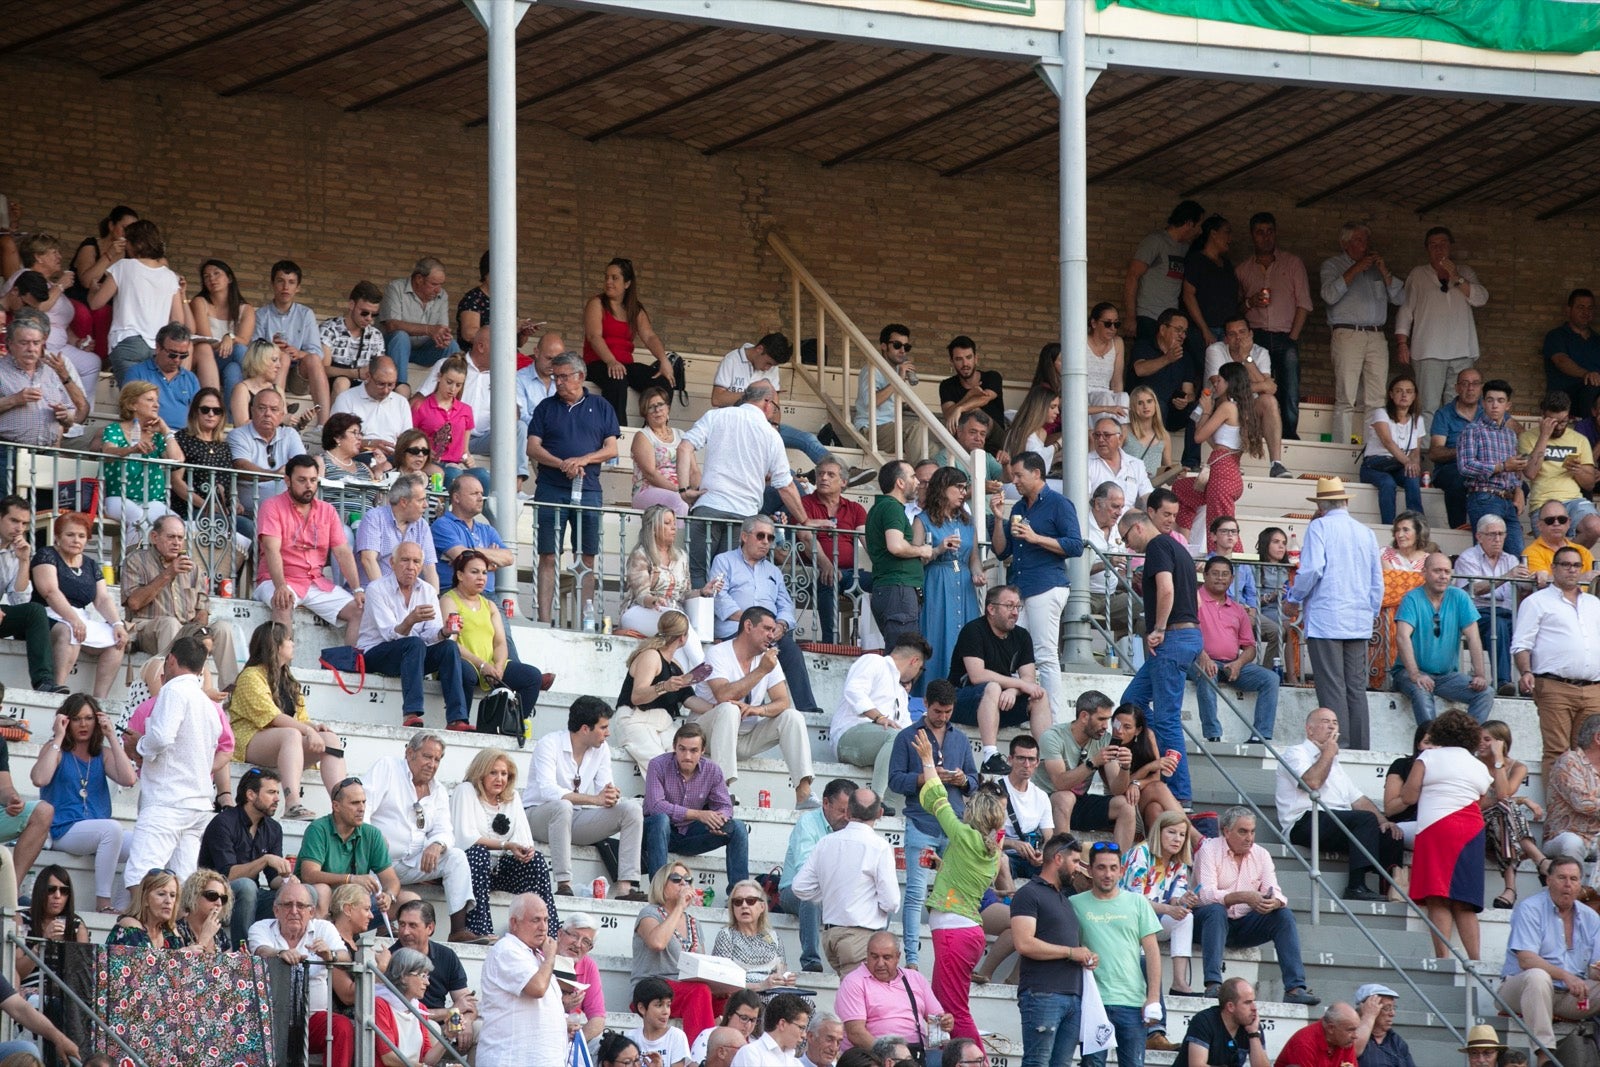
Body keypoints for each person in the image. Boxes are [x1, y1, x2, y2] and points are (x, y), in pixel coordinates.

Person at [910, 727, 1004, 1049]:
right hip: (964, 930)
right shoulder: (991, 851)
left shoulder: (965, 837)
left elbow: (939, 801)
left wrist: (926, 760)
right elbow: (964, 877)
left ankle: (979, 1061)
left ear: (973, 815)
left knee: (953, 1011)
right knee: (942, 1005)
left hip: (954, 931)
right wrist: (942, 866)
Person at [1284, 477, 1384, 750]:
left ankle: (1337, 746)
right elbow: (1378, 581)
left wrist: (1294, 597)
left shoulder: (1320, 527)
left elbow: (1313, 568)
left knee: (1332, 688)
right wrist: (1370, 612)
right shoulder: (1366, 532)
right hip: (1358, 619)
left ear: (1321, 505)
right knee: (1355, 689)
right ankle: (1360, 747)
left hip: (1327, 618)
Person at [677, 380, 805, 588]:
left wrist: (684, 491)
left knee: (696, 576)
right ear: (766, 402)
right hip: (743, 516)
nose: (774, 412)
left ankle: (699, 621)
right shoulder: (771, 434)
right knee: (726, 581)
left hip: (708, 508)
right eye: (775, 406)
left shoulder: (716, 416)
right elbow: (785, 486)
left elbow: (684, 447)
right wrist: (805, 520)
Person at [888, 678, 977, 967]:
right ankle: (912, 959)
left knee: (951, 898)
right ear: (925, 704)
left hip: (953, 824)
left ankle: (948, 958)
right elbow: (894, 780)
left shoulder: (960, 739)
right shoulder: (906, 736)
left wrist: (963, 780)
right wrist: (926, 777)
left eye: (948, 712)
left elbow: (975, 782)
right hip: (921, 822)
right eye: (938, 711)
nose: (943, 717)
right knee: (915, 893)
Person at [1192, 807, 1319, 1005]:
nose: (1249, 837)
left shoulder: (1262, 854)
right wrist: (1243, 897)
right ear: (1226, 831)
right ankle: (1213, 986)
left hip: (1243, 925)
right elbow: (1205, 895)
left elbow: (1275, 891)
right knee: (1215, 910)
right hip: (1207, 925)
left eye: (1252, 831)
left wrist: (1273, 902)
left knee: (1283, 915)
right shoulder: (1208, 849)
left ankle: (1295, 988)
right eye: (1243, 831)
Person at [693, 605, 818, 806]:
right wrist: (761, 671)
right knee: (729, 708)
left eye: (773, 630)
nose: (772, 635)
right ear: (748, 626)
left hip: (745, 739)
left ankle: (803, 793)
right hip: (706, 735)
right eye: (767, 629)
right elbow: (723, 695)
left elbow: (783, 701)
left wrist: (759, 710)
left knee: (792, 717)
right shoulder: (718, 653)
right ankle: (720, 791)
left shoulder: (768, 660)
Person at [528, 351, 620, 623]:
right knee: (547, 555)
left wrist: (583, 460)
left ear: (580, 376)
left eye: (564, 377)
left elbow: (611, 448)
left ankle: (586, 621)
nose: (558, 382)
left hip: (589, 488)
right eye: (556, 377)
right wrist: (563, 464)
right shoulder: (546, 407)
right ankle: (544, 620)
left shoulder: (602, 406)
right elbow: (532, 447)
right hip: (550, 488)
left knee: (587, 557)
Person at [525, 695, 647, 899]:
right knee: (562, 806)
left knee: (632, 810)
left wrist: (611, 795)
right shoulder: (549, 744)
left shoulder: (602, 749)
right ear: (584, 729)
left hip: (575, 818)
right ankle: (564, 884)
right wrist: (596, 800)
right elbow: (548, 791)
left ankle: (625, 888)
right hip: (537, 817)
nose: (608, 733)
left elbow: (604, 787)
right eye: (603, 727)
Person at [1118, 507, 1202, 805]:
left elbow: (1166, 590)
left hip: (1173, 637)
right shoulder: (1176, 547)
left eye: (1126, 538)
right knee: (1131, 704)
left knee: (1166, 719)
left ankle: (1180, 793)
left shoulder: (1156, 547)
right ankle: (1158, 758)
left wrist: (1159, 628)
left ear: (1137, 527)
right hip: (1184, 635)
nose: (1128, 546)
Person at [1278, 708, 1406, 902]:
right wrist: (1328, 753)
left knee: (1391, 834)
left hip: (1338, 822)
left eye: (1335, 722)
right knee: (1363, 821)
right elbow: (1311, 783)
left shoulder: (1334, 763)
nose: (1331, 726)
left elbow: (1359, 800)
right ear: (1309, 729)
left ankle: (1388, 890)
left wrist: (1384, 821)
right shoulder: (1296, 753)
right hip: (1304, 821)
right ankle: (1356, 886)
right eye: (1325, 721)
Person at [366, 732, 481, 942]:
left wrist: (437, 845)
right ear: (410, 753)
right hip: (376, 862)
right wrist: (372, 837)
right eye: (427, 757)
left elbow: (445, 829)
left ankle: (458, 930)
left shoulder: (438, 791)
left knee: (455, 857)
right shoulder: (388, 768)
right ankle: (383, 924)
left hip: (413, 862)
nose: (432, 764)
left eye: (437, 759)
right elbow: (363, 806)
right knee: (367, 853)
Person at [123, 636, 218, 888]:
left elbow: (163, 736)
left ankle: (140, 929)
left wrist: (139, 745)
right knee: (182, 884)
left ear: (171, 660)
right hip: (198, 804)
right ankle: (173, 929)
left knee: (140, 878)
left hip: (168, 800)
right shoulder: (207, 704)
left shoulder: (173, 690)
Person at [228, 619, 345, 819]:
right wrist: (307, 731)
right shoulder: (251, 676)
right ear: (275, 645)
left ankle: (343, 805)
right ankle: (292, 804)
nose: (293, 644)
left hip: (283, 742)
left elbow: (301, 719)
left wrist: (314, 727)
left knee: (330, 739)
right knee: (291, 734)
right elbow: (272, 718)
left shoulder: (288, 680)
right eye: (288, 639)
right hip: (250, 740)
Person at [1399, 708, 1492, 958]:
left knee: (1437, 896)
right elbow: (1481, 800)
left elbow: (1408, 797)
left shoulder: (1427, 758)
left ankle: (1443, 958)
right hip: (1471, 830)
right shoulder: (1479, 766)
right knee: (1465, 901)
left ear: (1439, 732)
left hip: (1436, 829)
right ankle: (1476, 960)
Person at [30, 694, 135, 912]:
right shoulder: (55, 750)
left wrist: (112, 737)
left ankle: (124, 907)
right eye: (77, 719)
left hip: (96, 830)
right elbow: (39, 779)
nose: (84, 724)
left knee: (144, 843)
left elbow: (129, 778)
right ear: (66, 720)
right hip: (64, 829)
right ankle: (103, 902)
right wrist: (58, 738)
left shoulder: (101, 754)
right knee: (112, 828)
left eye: (89, 718)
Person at [707, 514, 821, 715]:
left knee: (792, 651)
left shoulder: (773, 571)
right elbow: (719, 597)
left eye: (770, 538)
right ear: (744, 536)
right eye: (761, 536)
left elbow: (785, 603)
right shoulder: (724, 561)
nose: (766, 542)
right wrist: (750, 622)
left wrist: (782, 625)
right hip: (737, 630)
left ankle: (808, 709)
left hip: (768, 633)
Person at [1072, 841, 1170, 1064]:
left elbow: (1152, 953)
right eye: (1101, 867)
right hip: (1093, 1002)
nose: (1108, 874)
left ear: (1122, 870)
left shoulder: (1137, 903)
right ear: (1089, 870)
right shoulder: (1074, 904)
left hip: (1133, 1003)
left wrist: (1153, 998)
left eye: (1113, 868)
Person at [1497, 854, 1600, 1060]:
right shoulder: (1530, 908)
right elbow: (1526, 960)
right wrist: (1567, 976)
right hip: (1521, 990)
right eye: (1562, 878)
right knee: (1537, 976)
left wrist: (1596, 972)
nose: (1568, 884)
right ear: (1548, 880)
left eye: (1574, 879)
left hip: (1569, 997)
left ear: (1580, 884)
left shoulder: (1591, 917)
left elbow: (1593, 969)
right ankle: (1545, 1056)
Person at [451, 746, 559, 940]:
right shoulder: (465, 790)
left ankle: (548, 935)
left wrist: (524, 852)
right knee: (478, 853)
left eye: (504, 774)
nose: (499, 779)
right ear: (480, 773)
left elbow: (522, 839)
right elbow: (465, 838)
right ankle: (480, 930)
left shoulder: (512, 797)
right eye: (493, 773)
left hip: (500, 870)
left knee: (536, 862)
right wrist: (505, 845)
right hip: (470, 870)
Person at [358, 542, 470, 729]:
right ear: (392, 563)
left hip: (412, 655)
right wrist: (410, 620)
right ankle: (411, 713)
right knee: (414, 644)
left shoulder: (427, 590)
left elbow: (430, 634)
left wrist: (444, 632)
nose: (411, 566)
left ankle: (457, 718)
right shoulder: (376, 588)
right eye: (405, 560)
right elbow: (388, 634)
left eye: (416, 561)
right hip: (376, 653)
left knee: (449, 647)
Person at [1512, 544, 1600, 779]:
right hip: (1554, 686)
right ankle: (1558, 814)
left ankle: (1587, 813)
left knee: (1591, 753)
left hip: (1593, 689)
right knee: (1558, 752)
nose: (1571, 570)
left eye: (1576, 565)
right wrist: (1526, 671)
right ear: (1553, 568)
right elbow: (1521, 643)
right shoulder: (1537, 601)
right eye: (1565, 565)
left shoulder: (1594, 604)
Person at [253, 454, 363, 643]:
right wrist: (280, 586)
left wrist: (357, 589)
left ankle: (349, 666)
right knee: (283, 601)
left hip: (315, 582)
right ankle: (281, 668)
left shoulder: (327, 510)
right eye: (302, 480)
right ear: (287, 480)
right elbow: (272, 550)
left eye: (313, 480)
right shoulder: (272, 506)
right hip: (277, 579)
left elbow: (343, 552)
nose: (309, 486)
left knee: (359, 610)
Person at [122, 516, 241, 689]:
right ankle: (172, 688)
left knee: (223, 628)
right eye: (171, 537)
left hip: (185, 630)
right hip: (148, 628)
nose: (176, 542)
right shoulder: (135, 561)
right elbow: (133, 603)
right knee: (170, 624)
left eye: (180, 538)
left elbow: (202, 608)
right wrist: (168, 574)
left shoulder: (193, 568)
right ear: (154, 537)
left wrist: (198, 631)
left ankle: (230, 693)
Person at [792, 786, 898, 975]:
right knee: (860, 1001)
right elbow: (891, 903)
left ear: (848, 813)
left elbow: (800, 887)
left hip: (831, 937)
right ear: (880, 813)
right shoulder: (880, 846)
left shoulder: (826, 842)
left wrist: (830, 892)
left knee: (852, 997)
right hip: (860, 937)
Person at [1322, 221, 1405, 446]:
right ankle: (1340, 449)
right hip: (1348, 333)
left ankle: (1372, 449)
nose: (1364, 245)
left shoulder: (1376, 269)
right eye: (1359, 240)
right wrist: (1355, 269)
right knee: (1346, 397)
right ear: (1345, 243)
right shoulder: (1332, 265)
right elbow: (1328, 295)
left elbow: (1400, 298)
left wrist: (1385, 271)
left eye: (1366, 240)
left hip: (1376, 335)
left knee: (1377, 399)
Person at [1009, 830, 1088, 1067]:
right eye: (1075, 861)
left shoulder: (1065, 898)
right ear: (1058, 859)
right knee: (1037, 1063)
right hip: (1043, 993)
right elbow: (1023, 943)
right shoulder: (1028, 894)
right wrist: (1071, 952)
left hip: (1071, 995)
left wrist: (1083, 954)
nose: (1079, 868)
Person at [31, 510, 127, 701]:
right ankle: (56, 690)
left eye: (81, 536)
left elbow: (102, 599)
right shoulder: (46, 555)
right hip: (46, 615)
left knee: (116, 640)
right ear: (57, 537)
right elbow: (50, 592)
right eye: (70, 534)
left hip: (80, 617)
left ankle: (99, 700)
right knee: (70, 631)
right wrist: (73, 620)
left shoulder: (91, 564)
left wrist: (117, 624)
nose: (76, 540)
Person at [1394, 226, 1488, 417]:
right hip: (1428, 351)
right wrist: (1402, 343)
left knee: (1460, 404)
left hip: (1462, 350)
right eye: (1433, 245)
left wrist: (1457, 278)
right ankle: (1428, 446)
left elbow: (1481, 299)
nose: (1439, 249)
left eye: (1443, 244)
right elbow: (1405, 310)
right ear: (1427, 249)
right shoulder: (1418, 274)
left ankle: (1454, 446)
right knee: (1427, 406)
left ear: (1450, 247)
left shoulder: (1465, 272)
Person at [642, 722, 749, 889]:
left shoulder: (712, 770)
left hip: (691, 834)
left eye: (693, 750)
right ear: (674, 747)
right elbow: (656, 806)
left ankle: (740, 892)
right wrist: (699, 814)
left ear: (703, 751)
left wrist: (719, 819)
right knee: (660, 820)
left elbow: (725, 805)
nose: (687, 756)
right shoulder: (658, 765)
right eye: (682, 749)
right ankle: (659, 891)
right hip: (657, 834)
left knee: (738, 827)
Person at [1393, 553, 1493, 724]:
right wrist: (1416, 674)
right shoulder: (1412, 598)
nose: (1443, 576)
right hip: (1409, 673)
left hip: (1447, 677)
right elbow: (1402, 637)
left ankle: (1466, 742)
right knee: (1421, 690)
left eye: (1447, 571)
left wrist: (1480, 675)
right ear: (1424, 573)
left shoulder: (1459, 597)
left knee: (1486, 693)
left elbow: (1473, 637)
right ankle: (1431, 744)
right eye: (1437, 571)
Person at [612, 608, 714, 777]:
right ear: (683, 638)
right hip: (637, 718)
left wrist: (717, 707)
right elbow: (637, 697)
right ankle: (663, 801)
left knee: (687, 760)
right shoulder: (651, 656)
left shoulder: (675, 665)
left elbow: (689, 699)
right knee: (660, 764)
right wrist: (664, 686)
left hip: (663, 723)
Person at [199, 766, 290, 949]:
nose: (277, 799)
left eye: (278, 793)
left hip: (251, 897)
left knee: (299, 894)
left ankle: (286, 953)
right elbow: (228, 876)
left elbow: (273, 880)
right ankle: (244, 954)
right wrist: (265, 860)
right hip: (216, 896)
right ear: (251, 795)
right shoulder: (223, 823)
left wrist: (289, 880)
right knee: (247, 886)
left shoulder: (273, 828)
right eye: (271, 792)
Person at [1192, 555, 1279, 744]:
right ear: (1205, 575)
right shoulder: (1194, 600)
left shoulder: (1238, 609)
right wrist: (1203, 656)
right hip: (1199, 660)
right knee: (1207, 672)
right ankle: (1213, 735)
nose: (1220, 578)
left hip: (1231, 664)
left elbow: (1249, 647)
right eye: (1215, 574)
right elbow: (1187, 635)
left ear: (1232, 579)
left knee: (1271, 678)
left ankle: (1260, 735)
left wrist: (1239, 663)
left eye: (1225, 575)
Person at [88, 219, 188, 384]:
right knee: (150, 403)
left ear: (135, 243)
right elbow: (178, 320)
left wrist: (92, 291)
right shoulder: (170, 276)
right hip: (158, 347)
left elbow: (96, 303)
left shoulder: (123, 267)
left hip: (127, 341)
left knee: (131, 402)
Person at [1033, 692, 1136, 853]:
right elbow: (1060, 783)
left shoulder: (1103, 739)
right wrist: (1093, 762)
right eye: (1101, 719)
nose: (1105, 726)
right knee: (1065, 797)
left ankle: (1119, 867)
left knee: (1125, 805)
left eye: (1108, 720)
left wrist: (1125, 767)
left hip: (1079, 804)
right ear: (1084, 716)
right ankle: (1064, 860)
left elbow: (1117, 789)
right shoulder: (1053, 737)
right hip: (1047, 803)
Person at [582, 257, 675, 426]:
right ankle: (617, 433)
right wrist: (611, 361)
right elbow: (594, 336)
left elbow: (649, 336)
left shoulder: (634, 309)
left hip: (624, 366)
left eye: (614, 278)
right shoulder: (597, 303)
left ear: (627, 283)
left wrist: (664, 360)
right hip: (599, 363)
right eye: (607, 277)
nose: (608, 282)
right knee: (617, 380)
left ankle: (652, 431)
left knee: (662, 381)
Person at [832, 634, 928, 798]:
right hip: (849, 736)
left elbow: (906, 729)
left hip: (883, 743)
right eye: (921, 669)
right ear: (915, 661)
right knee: (896, 737)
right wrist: (878, 717)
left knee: (912, 744)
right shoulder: (874, 661)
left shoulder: (901, 693)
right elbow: (854, 691)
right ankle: (875, 799)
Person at [1174, 363, 1263, 537]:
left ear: (1229, 382)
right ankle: (1184, 542)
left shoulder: (1227, 407)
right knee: (1180, 489)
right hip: (1228, 472)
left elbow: (1198, 438)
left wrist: (1207, 410)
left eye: (1219, 380)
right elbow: (1206, 436)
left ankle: (1234, 563)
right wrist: (1205, 412)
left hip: (1222, 474)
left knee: (1221, 530)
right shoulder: (1241, 408)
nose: (1216, 384)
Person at [476, 893, 565, 1067]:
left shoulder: (536, 955)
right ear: (514, 923)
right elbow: (537, 988)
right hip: (512, 1060)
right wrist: (550, 958)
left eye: (546, 920)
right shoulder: (507, 949)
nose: (543, 927)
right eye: (535, 920)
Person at [632, 861, 717, 1043]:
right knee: (700, 991)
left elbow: (701, 964)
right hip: (652, 988)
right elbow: (657, 942)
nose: (683, 884)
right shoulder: (649, 913)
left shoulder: (694, 922)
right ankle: (699, 1057)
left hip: (685, 988)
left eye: (688, 880)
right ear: (662, 885)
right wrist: (679, 907)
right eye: (677, 879)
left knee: (731, 999)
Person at [293, 777, 401, 917]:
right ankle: (324, 936)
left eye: (363, 802)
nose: (361, 808)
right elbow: (309, 875)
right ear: (336, 806)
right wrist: (351, 879)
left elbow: (391, 881)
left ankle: (384, 936)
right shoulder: (318, 829)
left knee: (407, 900)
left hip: (355, 904)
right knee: (322, 890)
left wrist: (389, 896)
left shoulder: (372, 834)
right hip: (323, 901)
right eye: (355, 803)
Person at [779, 777, 855, 974]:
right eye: (841, 810)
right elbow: (806, 871)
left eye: (850, 812)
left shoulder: (855, 827)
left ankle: (863, 961)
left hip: (836, 893)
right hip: (793, 890)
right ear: (825, 803)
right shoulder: (807, 823)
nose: (847, 817)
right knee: (812, 896)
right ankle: (811, 961)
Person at [914, 465, 982, 683]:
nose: (964, 492)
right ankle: (932, 691)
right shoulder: (922, 520)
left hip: (963, 583)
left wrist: (978, 574)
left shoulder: (967, 522)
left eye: (965, 488)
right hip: (936, 582)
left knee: (966, 638)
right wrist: (939, 549)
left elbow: (974, 559)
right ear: (943, 488)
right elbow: (916, 559)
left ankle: (962, 693)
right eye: (959, 487)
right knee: (937, 634)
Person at [835, 932, 950, 1059]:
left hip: (916, 1053)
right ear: (867, 954)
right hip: (872, 1056)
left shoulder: (915, 979)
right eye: (874, 957)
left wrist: (946, 1022)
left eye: (886, 957)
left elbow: (938, 1018)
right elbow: (855, 1033)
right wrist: (890, 1056)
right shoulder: (854, 982)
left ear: (898, 957)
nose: (880, 963)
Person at [1122, 810, 1199, 996]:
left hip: (1155, 920)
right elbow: (1135, 901)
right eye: (1171, 832)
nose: (1177, 839)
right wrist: (1169, 909)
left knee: (1186, 919)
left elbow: (1175, 898)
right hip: (1129, 920)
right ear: (1159, 832)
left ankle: (1179, 983)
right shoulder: (1141, 853)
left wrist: (1183, 901)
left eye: (1182, 835)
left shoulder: (1178, 860)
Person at [619, 505, 712, 656]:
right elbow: (641, 594)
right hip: (641, 611)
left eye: (674, 523)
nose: (674, 528)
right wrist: (654, 600)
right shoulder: (641, 554)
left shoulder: (681, 556)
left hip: (673, 615)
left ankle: (692, 677)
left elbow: (684, 594)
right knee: (679, 624)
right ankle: (703, 669)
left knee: (679, 640)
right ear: (653, 528)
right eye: (667, 523)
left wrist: (702, 591)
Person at [801, 455, 872, 644]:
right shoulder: (805, 503)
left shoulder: (855, 508)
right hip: (816, 571)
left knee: (884, 584)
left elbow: (867, 541)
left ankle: (876, 644)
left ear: (843, 482)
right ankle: (830, 643)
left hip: (851, 574)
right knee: (828, 580)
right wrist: (826, 564)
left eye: (830, 474)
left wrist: (886, 569)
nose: (824, 478)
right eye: (821, 474)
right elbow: (806, 537)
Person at [866, 460, 935, 652]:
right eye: (913, 476)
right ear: (900, 483)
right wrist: (922, 550)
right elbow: (895, 546)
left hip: (893, 590)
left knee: (900, 652)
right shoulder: (892, 507)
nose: (918, 482)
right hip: (899, 591)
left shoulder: (881, 507)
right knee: (903, 655)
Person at [1479, 720, 1549, 910]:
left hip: (1502, 835)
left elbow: (1503, 794)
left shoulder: (1517, 767)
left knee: (1504, 815)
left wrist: (1498, 759)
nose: (1481, 743)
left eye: (1487, 739)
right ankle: (1540, 860)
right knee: (1507, 807)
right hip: (1478, 831)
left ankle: (1510, 890)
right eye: (1478, 738)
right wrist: (1523, 800)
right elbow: (1480, 804)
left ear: (1501, 742)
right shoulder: (1473, 764)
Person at [1456, 379, 1527, 561]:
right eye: (1490, 400)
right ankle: (1484, 590)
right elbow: (1465, 466)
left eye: (1500, 401)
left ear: (1508, 405)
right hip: (1483, 496)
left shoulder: (1510, 435)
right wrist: (1501, 466)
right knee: (1488, 554)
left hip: (1507, 499)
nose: (1495, 405)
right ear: (1483, 403)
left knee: (1516, 555)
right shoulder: (1472, 430)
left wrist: (1519, 490)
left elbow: (1515, 471)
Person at [252, 259, 332, 417]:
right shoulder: (262, 315)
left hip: (297, 376)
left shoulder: (305, 314)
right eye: (280, 281)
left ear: (298, 287)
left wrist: (298, 353)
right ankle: (277, 416)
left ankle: (323, 424)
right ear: (272, 284)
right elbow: (253, 350)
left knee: (314, 359)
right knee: (282, 357)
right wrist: (271, 349)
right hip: (269, 374)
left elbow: (318, 352)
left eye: (291, 282)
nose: (285, 287)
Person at [1521, 390, 1600, 548]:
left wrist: (1579, 470)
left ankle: (1565, 558)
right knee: (1553, 539)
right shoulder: (1528, 437)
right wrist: (1544, 436)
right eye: (1553, 422)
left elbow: (1590, 484)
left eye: (1563, 421)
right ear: (1543, 416)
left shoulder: (1579, 440)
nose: (1558, 427)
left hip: (1573, 499)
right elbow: (1530, 473)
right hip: (1543, 501)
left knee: (1595, 527)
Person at [0, 310, 87, 449]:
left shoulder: (52, 370)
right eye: (24, 343)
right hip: (7, 452)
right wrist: (14, 399)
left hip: (47, 453)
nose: (31, 348)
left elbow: (73, 414)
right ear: (10, 343)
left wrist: (65, 416)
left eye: (36, 343)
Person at [0, 496, 61, 693]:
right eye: (14, 520)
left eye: (24, 523)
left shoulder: (15, 553)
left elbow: (19, 600)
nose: (19, 528)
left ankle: (44, 682)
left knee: (34, 611)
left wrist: (24, 561)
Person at [1123, 200, 1205, 344]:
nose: (1200, 231)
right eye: (1199, 225)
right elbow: (1132, 276)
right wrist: (1131, 317)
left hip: (1171, 320)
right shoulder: (1155, 241)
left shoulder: (1184, 247)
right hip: (1148, 317)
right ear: (1189, 224)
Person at [1128, 309, 1201, 469]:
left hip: (1172, 412)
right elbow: (1140, 369)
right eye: (1178, 330)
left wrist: (1185, 400)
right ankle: (1158, 461)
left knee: (1198, 409)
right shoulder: (1144, 345)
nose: (1182, 335)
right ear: (1162, 329)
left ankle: (1191, 462)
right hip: (1144, 410)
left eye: (1185, 331)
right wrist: (1167, 358)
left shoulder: (1185, 356)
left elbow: (1189, 391)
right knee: (1158, 405)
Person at [411, 354, 491, 493]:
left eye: (458, 385)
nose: (453, 389)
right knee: (454, 476)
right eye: (449, 382)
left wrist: (468, 458)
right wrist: (426, 451)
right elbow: (409, 441)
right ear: (439, 377)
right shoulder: (421, 406)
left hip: (455, 465)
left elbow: (464, 450)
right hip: (428, 463)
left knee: (483, 475)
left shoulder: (465, 410)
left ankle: (487, 513)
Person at [1359, 372, 1429, 525]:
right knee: (1387, 483)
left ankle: (1417, 524)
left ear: (1414, 396)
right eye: (1399, 391)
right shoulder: (1381, 413)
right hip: (1375, 465)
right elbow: (1387, 441)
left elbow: (1415, 450)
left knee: (1412, 478)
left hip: (1398, 465)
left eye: (1409, 391)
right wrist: (1408, 462)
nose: (1404, 395)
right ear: (1391, 394)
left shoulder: (1418, 420)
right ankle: (1389, 526)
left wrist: (1414, 465)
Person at [380, 256, 460, 386]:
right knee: (400, 337)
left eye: (440, 284)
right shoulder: (396, 288)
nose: (438, 289)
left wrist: (443, 336)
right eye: (434, 284)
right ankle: (401, 387)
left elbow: (441, 328)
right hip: (395, 349)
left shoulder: (442, 295)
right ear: (419, 279)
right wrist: (429, 330)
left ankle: (450, 395)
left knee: (451, 345)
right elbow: (391, 325)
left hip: (424, 351)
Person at [432, 474, 514, 595]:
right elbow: (462, 558)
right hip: (454, 592)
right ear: (456, 497)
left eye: (481, 493)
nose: (480, 498)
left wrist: (472, 550)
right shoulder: (442, 525)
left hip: (487, 595)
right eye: (474, 493)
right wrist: (490, 562)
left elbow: (509, 558)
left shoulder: (487, 530)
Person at [1424, 367, 1484, 532]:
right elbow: (1435, 452)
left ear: (1480, 388)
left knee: (1519, 486)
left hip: (1483, 467)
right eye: (1465, 384)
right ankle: (1458, 529)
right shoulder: (1444, 414)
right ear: (1457, 388)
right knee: (1458, 479)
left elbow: (1518, 432)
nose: (1470, 388)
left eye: (1475, 384)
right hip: (1451, 468)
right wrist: (1466, 452)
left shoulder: (1489, 411)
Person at [356, 474, 441, 588]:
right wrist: (385, 596)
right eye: (421, 500)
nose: (426, 505)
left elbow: (429, 568)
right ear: (404, 502)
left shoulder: (422, 525)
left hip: (407, 595)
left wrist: (434, 600)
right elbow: (368, 560)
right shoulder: (375, 518)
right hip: (373, 592)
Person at [713, 878, 791, 989]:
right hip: (745, 996)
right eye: (738, 902)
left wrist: (786, 980)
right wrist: (760, 986)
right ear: (733, 908)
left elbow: (782, 972)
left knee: (802, 1001)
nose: (744, 905)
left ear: (762, 907)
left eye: (750, 901)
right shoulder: (726, 936)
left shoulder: (773, 937)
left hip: (774, 991)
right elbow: (721, 983)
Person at [330, 356, 412, 461]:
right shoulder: (346, 399)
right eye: (381, 384)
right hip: (357, 457)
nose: (386, 390)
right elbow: (337, 439)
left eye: (391, 385)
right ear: (368, 376)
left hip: (393, 458)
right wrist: (369, 444)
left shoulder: (401, 402)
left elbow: (407, 440)